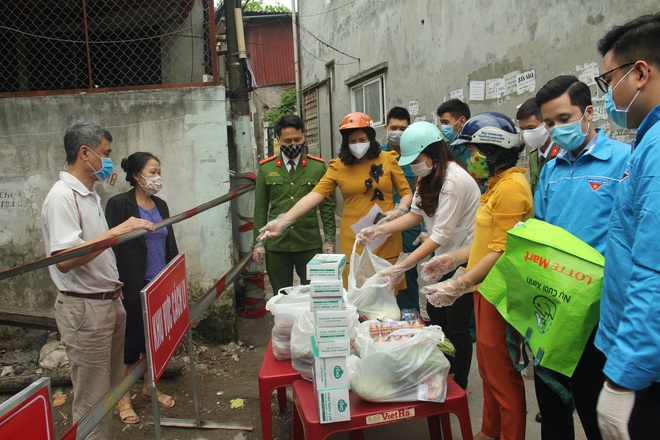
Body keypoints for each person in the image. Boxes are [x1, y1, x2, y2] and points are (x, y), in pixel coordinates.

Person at [422, 112, 532, 440]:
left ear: (494, 151)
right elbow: (483, 244)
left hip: (501, 293)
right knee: (487, 369)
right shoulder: (495, 185)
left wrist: (459, 284)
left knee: (502, 373)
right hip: (485, 289)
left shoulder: (512, 188)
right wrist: (451, 260)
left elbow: (500, 250)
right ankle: (490, 431)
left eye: (475, 151)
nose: (470, 157)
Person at [41, 122, 155, 439]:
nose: (108, 161)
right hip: (85, 309)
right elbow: (63, 259)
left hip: (107, 302)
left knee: (107, 392)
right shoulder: (62, 197)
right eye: (105, 154)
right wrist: (116, 232)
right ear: (85, 152)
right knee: (92, 399)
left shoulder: (89, 194)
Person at [533, 75, 630, 440]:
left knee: (593, 403)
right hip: (554, 306)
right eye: (549, 122)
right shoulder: (552, 171)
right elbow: (541, 231)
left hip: (599, 311)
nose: (555, 129)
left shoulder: (623, 161)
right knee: (553, 403)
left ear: (588, 113)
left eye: (563, 118)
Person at [357, 121, 480, 389]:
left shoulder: (454, 181)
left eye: (417, 159)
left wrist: (402, 266)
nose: (414, 166)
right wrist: (380, 229)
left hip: (466, 258)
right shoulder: (427, 177)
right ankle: (443, 369)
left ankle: (460, 382)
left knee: (456, 323)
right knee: (437, 316)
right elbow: (415, 215)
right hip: (446, 257)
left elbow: (440, 236)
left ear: (434, 153)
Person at [594, 13, 660, 440]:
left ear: (639, 73)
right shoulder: (646, 142)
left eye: (607, 81)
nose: (608, 95)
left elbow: (653, 271)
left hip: (645, 371)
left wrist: (622, 377)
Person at [257, 112, 412, 287]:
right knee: (355, 289)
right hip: (354, 237)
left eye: (362, 139)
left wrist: (398, 211)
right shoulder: (338, 166)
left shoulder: (388, 159)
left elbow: (406, 192)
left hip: (386, 233)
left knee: (387, 289)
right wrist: (284, 220)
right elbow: (315, 195)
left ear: (371, 137)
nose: (357, 145)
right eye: (352, 141)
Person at [105, 152, 179, 424]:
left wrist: (173, 278)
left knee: (154, 340)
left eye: (159, 171)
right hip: (132, 284)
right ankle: (123, 399)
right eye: (152, 171)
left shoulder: (160, 204)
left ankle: (150, 387)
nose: (157, 177)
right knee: (130, 343)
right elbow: (109, 246)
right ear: (137, 176)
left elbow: (169, 241)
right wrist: (116, 282)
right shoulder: (119, 204)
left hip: (158, 283)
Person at [252, 114, 336, 294]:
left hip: (308, 243)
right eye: (287, 141)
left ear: (304, 136)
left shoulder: (317, 167)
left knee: (314, 294)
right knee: (281, 296)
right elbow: (260, 210)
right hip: (277, 245)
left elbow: (327, 207)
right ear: (278, 140)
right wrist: (258, 244)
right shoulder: (267, 169)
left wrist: (329, 239)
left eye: (297, 139)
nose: (293, 145)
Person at [380, 106, 424, 311]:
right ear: (386, 128)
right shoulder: (375, 157)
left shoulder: (417, 157)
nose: (398, 132)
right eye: (394, 127)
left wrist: (424, 229)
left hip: (409, 229)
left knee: (407, 277)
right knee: (381, 276)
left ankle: (409, 321)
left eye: (403, 128)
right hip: (380, 227)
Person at [516, 97, 560, 195]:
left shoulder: (562, 153)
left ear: (547, 123)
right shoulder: (533, 156)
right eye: (523, 129)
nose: (527, 133)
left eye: (531, 127)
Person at [436, 99, 472, 166]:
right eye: (442, 123)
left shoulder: (474, 149)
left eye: (446, 122)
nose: (443, 127)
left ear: (462, 121)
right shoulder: (447, 147)